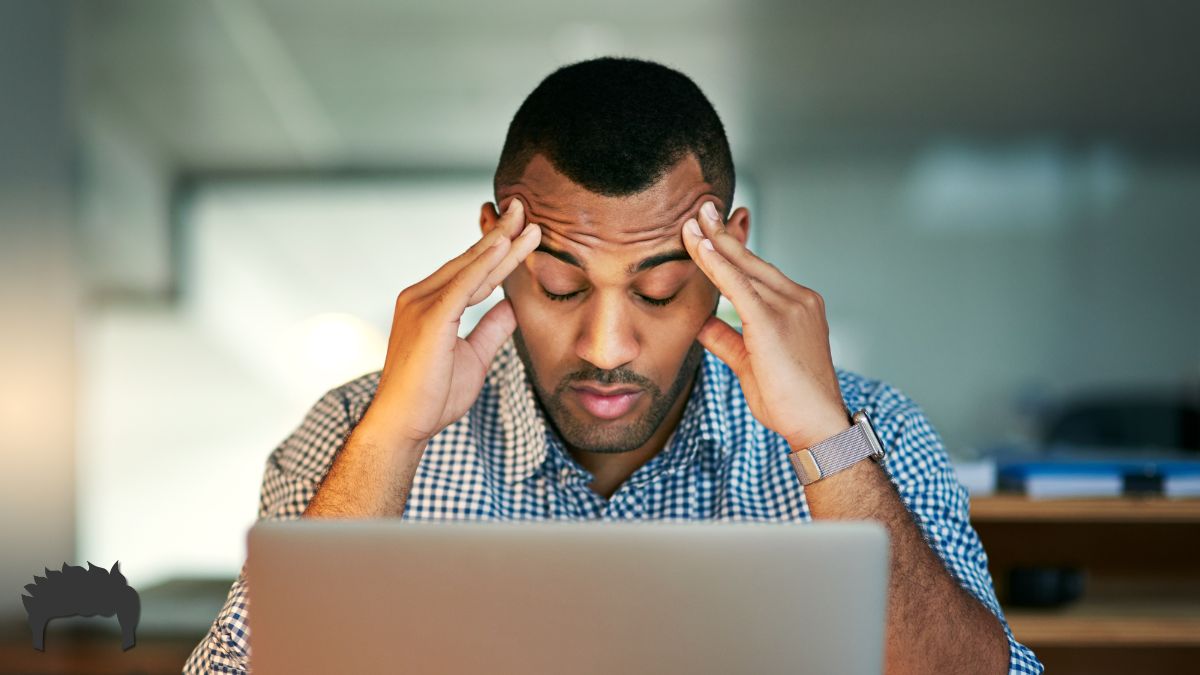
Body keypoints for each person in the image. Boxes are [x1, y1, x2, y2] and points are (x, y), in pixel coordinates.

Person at [184, 57, 1042, 675]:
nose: (605, 346)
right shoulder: (351, 431)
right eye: (559, 286)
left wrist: (823, 437)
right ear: (494, 246)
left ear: (728, 257)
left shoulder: (871, 430)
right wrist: (390, 442)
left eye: (661, 291)